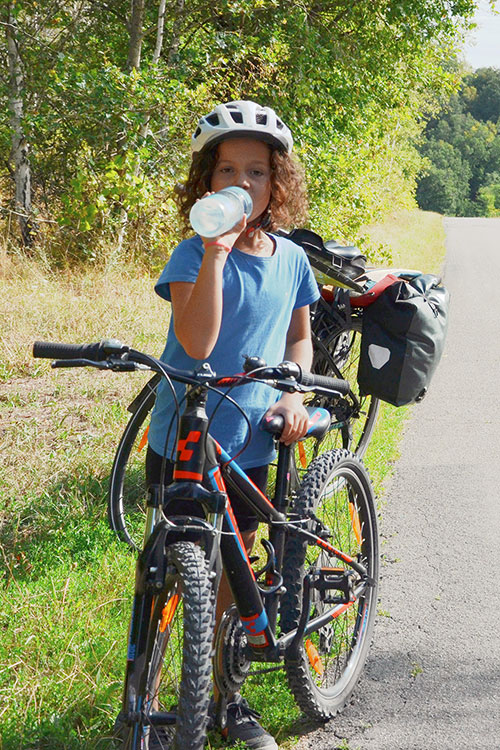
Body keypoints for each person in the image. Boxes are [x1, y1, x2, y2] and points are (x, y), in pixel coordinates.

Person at [146, 100, 320, 750]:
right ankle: (152, 696)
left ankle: (229, 700)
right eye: (226, 171)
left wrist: (292, 391)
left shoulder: (290, 261)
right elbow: (196, 343)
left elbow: (299, 340)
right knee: (172, 567)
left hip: (246, 445)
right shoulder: (191, 256)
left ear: (277, 184)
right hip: (182, 438)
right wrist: (215, 256)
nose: (240, 185)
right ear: (205, 184)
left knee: (228, 577)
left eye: (255, 172)